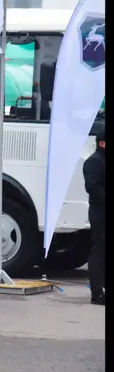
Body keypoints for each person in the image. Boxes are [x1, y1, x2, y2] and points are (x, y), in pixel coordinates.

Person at [83, 126, 105, 305]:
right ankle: (97, 293)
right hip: (100, 212)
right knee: (100, 251)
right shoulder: (94, 161)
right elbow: (92, 187)